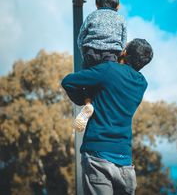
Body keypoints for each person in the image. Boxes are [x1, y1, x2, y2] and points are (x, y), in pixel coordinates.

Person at [61, 38, 153, 195]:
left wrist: (85, 100)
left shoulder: (109, 70)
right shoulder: (142, 83)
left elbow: (68, 81)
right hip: (125, 163)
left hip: (98, 156)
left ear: (124, 52)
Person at [74, 0, 127, 132]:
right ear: (117, 5)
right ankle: (107, 108)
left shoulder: (91, 16)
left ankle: (88, 103)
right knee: (107, 83)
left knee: (88, 82)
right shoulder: (121, 19)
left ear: (97, 4)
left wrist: (85, 53)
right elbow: (123, 42)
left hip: (91, 52)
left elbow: (80, 38)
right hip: (110, 55)